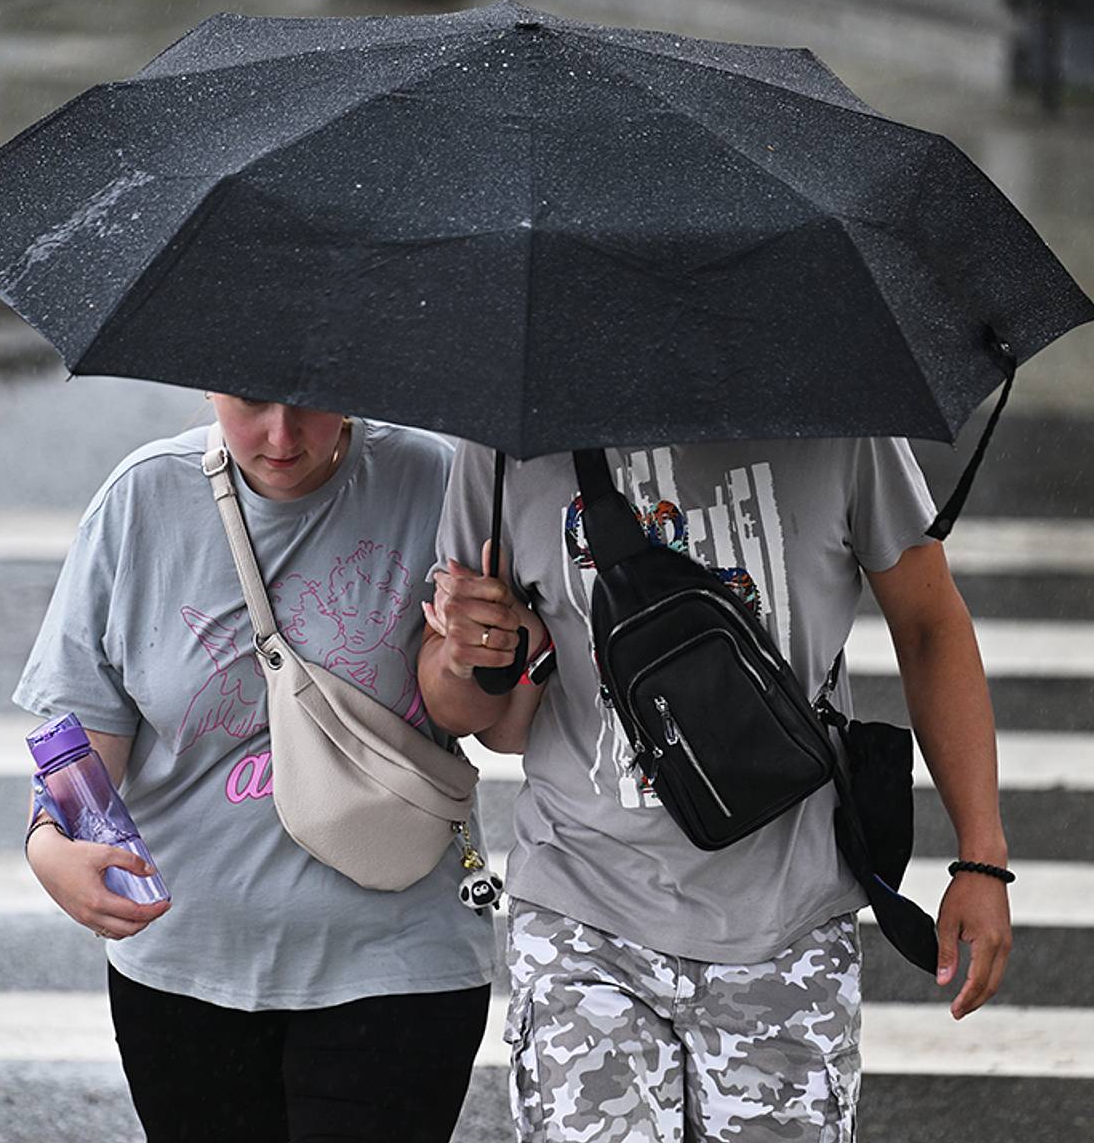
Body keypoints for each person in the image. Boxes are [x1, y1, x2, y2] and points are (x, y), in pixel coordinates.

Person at [419, 436, 1013, 1142]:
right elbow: (470, 718)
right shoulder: (509, 446)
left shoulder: (838, 422)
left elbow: (928, 628)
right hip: (583, 909)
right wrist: (469, 656)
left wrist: (981, 853)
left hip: (785, 923)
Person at [17, 396, 495, 1143]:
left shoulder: (434, 483)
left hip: (398, 964)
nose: (280, 434)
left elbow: (485, 723)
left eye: (310, 402)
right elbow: (83, 731)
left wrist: (482, 649)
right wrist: (51, 844)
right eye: (249, 401)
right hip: (186, 971)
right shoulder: (141, 500)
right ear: (207, 388)